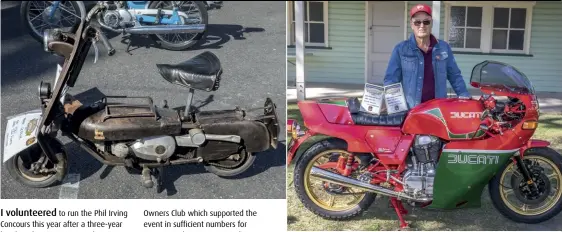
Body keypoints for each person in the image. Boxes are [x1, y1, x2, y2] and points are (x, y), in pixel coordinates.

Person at [384, 4, 470, 110]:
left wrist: (464, 95)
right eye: (417, 22)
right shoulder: (400, 49)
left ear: (431, 23)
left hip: (438, 110)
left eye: (426, 22)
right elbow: (391, 80)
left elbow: (455, 76)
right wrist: (393, 105)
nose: (422, 26)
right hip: (411, 110)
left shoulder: (444, 48)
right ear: (411, 24)